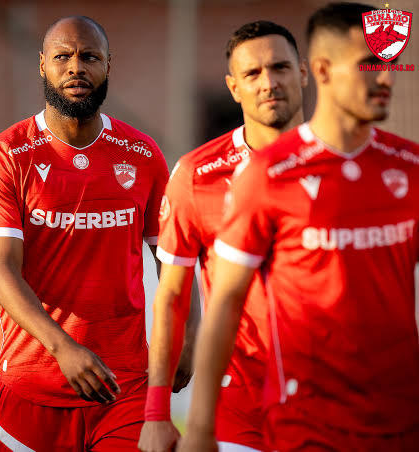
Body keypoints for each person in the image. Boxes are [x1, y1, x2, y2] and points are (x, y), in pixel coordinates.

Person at [179, 3, 419, 451]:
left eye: (390, 64)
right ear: (322, 71)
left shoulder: (410, 167)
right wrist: (200, 428)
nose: (386, 78)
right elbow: (224, 303)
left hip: (402, 421)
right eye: (369, 64)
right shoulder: (268, 174)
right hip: (306, 426)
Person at [0, 16, 173, 451]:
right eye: (62, 56)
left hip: (123, 388)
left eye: (89, 57)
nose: (76, 67)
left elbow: (174, 263)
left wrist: (187, 333)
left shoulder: (142, 154)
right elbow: (1, 271)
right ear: (42, 64)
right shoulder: (7, 154)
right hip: (32, 388)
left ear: (108, 65)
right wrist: (63, 348)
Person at [138, 21, 307, 452]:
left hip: (330, 394)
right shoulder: (197, 175)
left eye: (280, 67)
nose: (269, 82)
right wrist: (156, 413)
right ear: (234, 87)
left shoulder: (344, 169)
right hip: (238, 400)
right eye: (252, 73)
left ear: (304, 73)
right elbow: (171, 297)